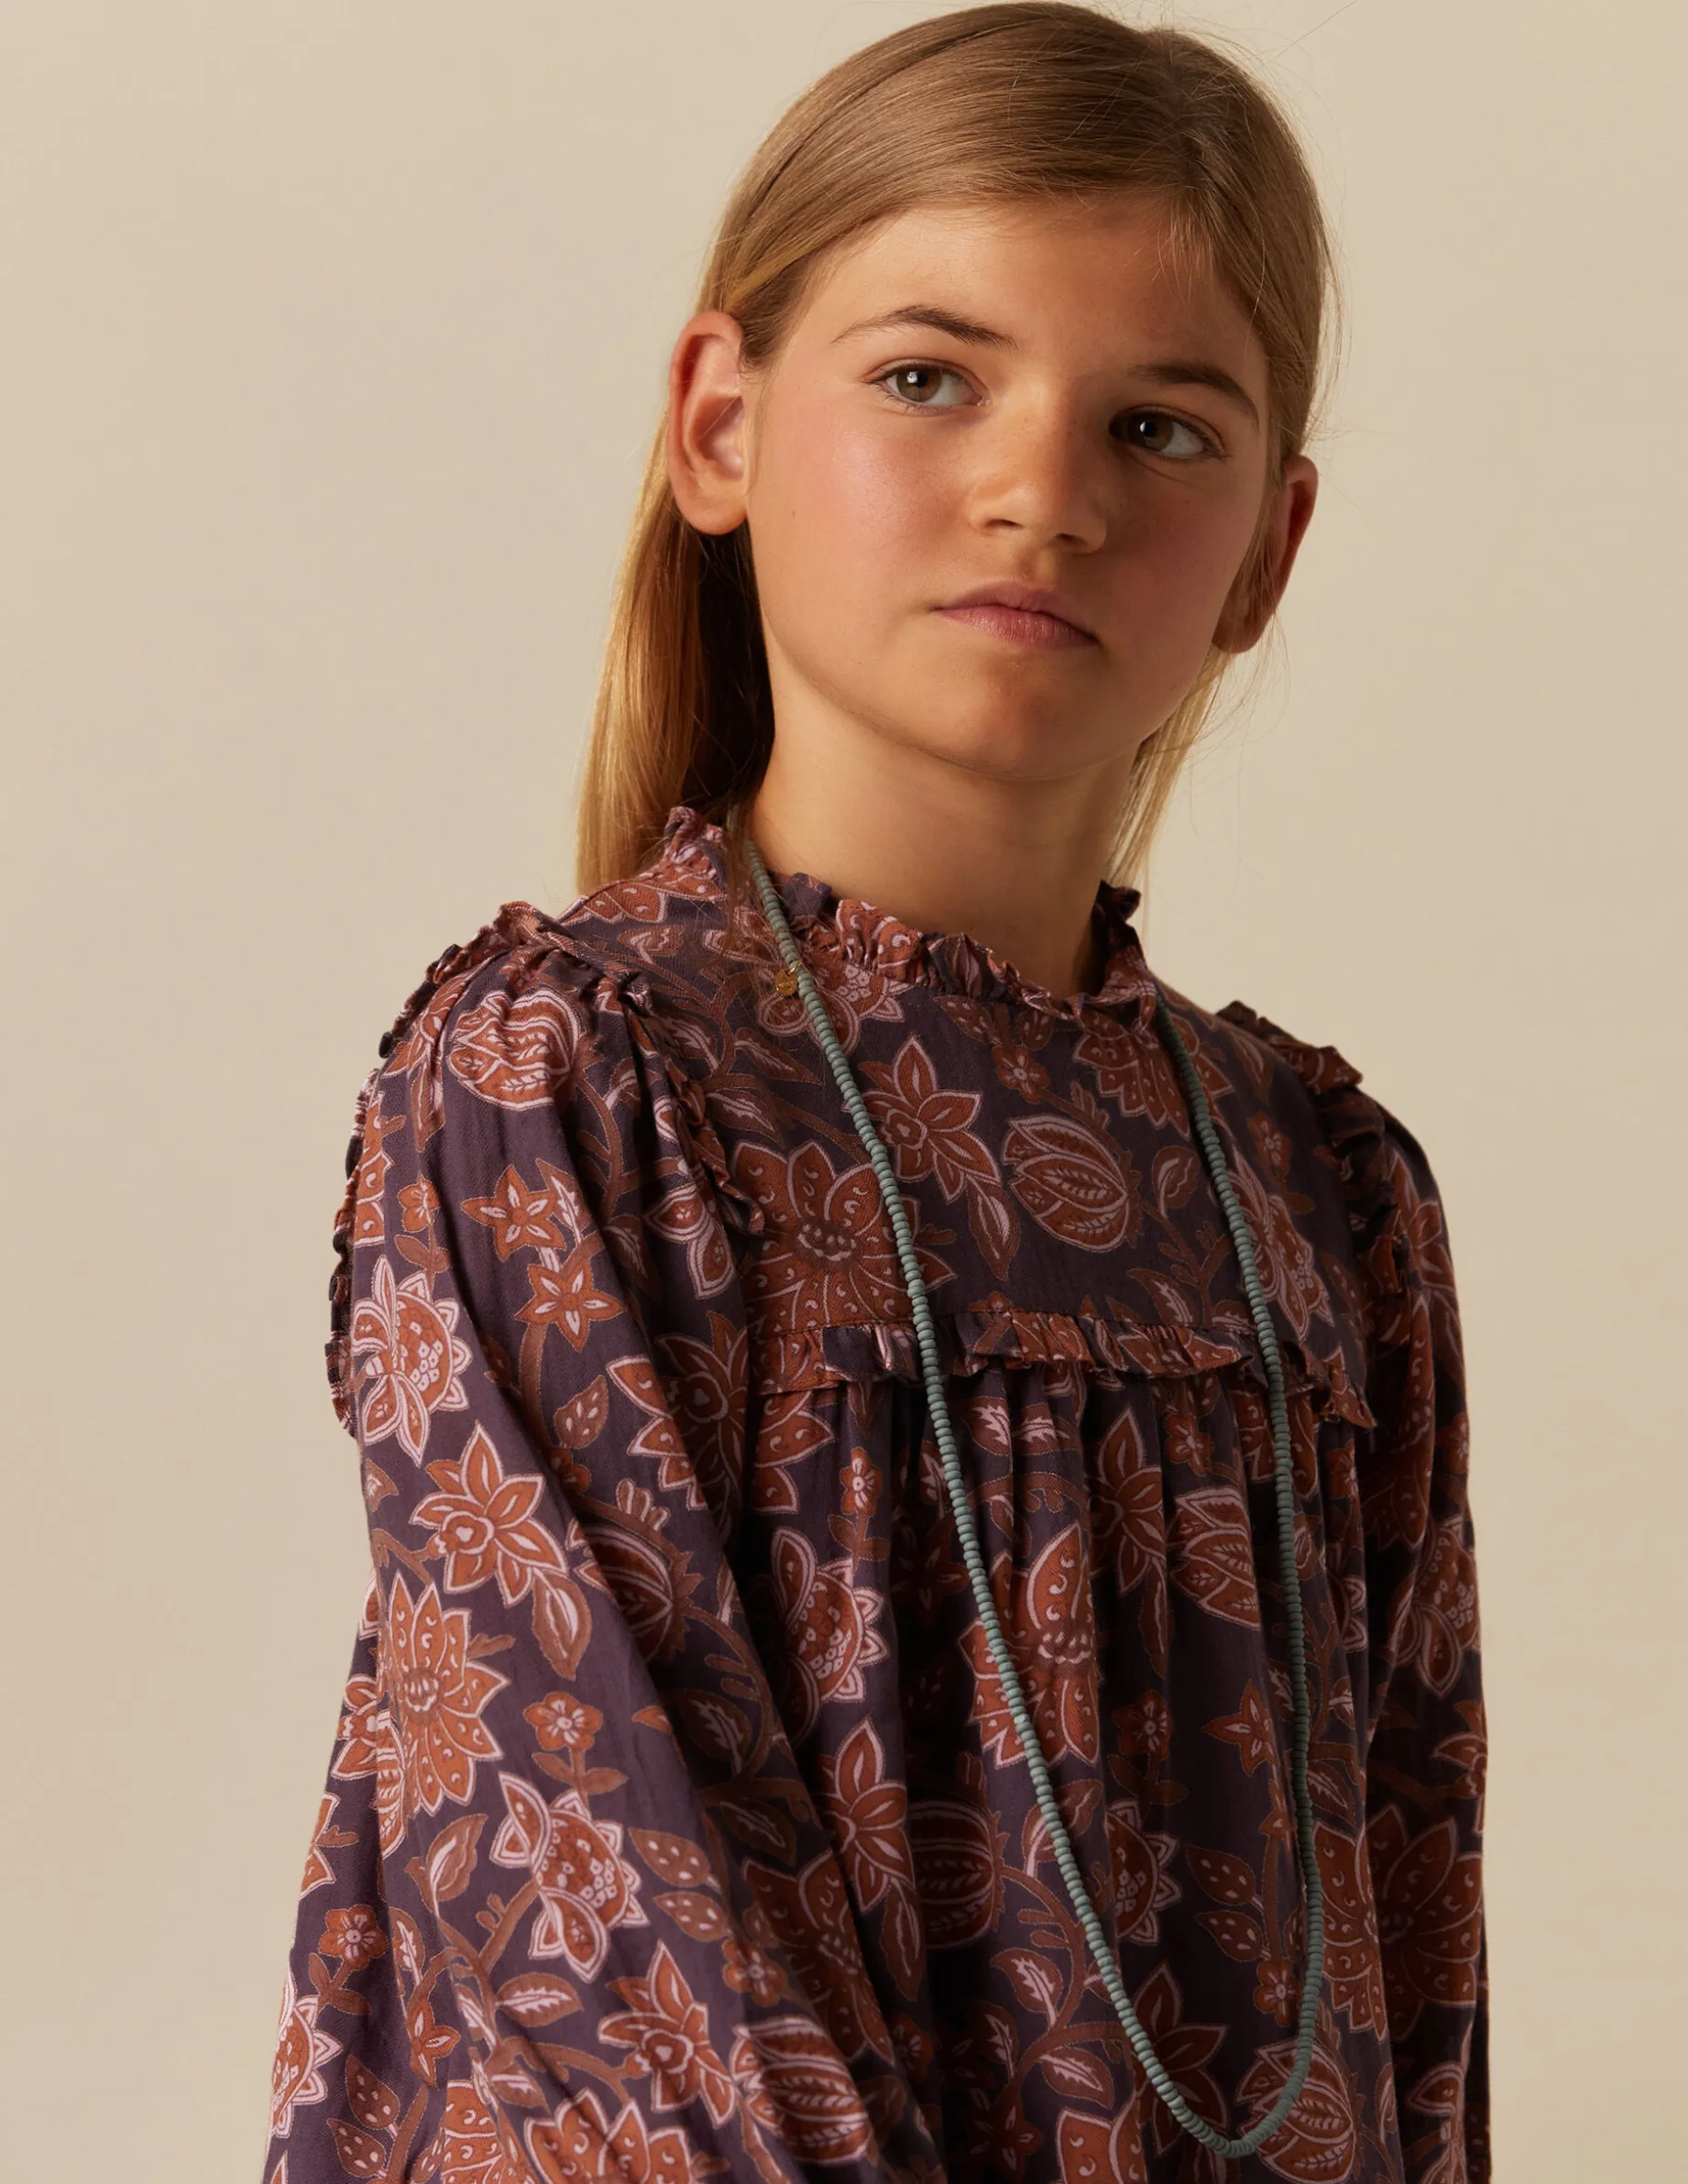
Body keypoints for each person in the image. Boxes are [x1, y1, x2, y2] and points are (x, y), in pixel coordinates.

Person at [263, 8, 1486, 2180]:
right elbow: (607, 1928)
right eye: (932, 378)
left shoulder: (1327, 1191)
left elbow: (1412, 1965)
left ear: (1270, 552)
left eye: (1159, 426)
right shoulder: (572, 1087)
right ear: (720, 426)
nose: (1046, 491)